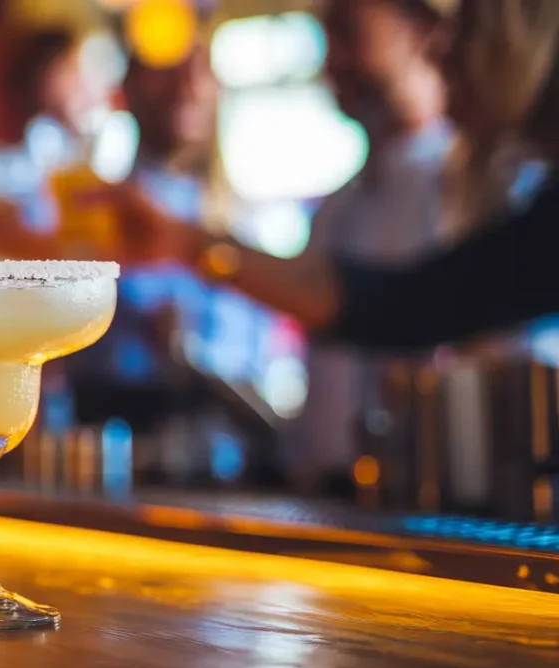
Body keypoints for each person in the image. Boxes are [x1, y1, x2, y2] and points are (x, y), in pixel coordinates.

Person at [114, 0, 559, 357]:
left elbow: (408, 306)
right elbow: (397, 303)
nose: (444, 50)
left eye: (348, 32)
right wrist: (183, 242)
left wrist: (187, 244)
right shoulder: (343, 203)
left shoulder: (499, 185)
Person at [284, 0, 458, 493]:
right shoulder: (337, 208)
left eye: (348, 33)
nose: (331, 61)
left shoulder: (480, 190)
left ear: (423, 31)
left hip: (447, 503)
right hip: (336, 501)